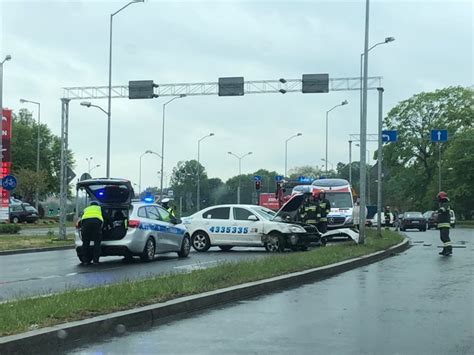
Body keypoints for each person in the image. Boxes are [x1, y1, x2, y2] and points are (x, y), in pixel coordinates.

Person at [437, 191, 452, 256]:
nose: (438, 199)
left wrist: (439, 211)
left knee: (445, 237)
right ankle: (445, 250)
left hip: (445, 224)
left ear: (441, 197)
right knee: (442, 238)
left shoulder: (445, 204)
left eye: (439, 197)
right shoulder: (443, 204)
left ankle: (449, 250)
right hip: (442, 224)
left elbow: (442, 209)